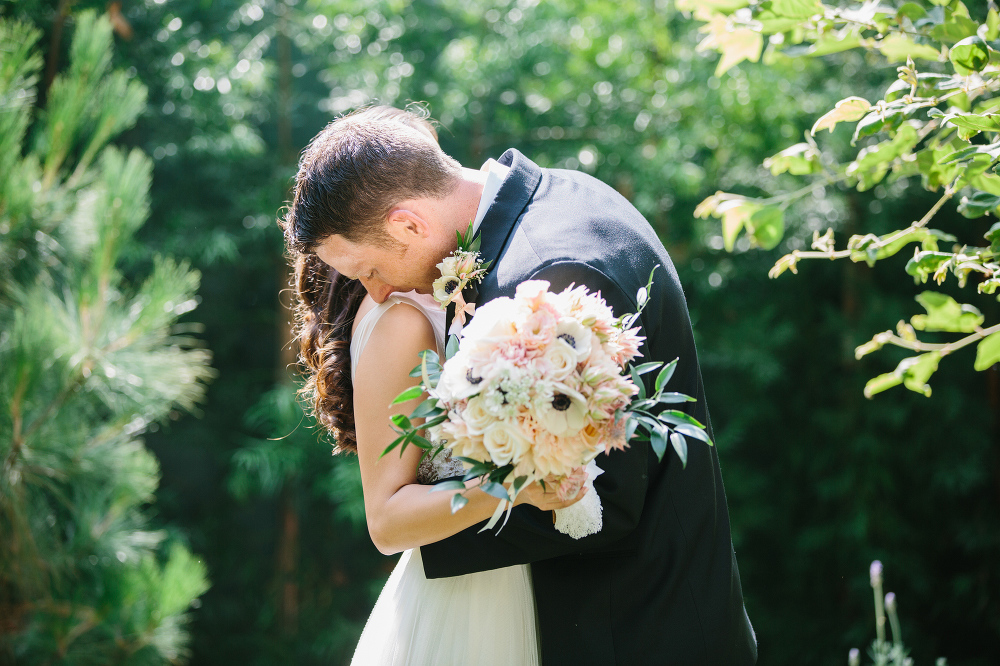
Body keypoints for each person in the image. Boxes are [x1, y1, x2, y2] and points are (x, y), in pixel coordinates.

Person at [282, 105, 757, 665]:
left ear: (408, 223)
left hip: (635, 629)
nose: (376, 292)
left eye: (371, 270)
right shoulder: (563, 194)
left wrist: (452, 516)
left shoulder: (548, 282)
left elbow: (607, 496)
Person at [284, 108, 585, 666]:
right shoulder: (404, 322)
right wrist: (510, 484)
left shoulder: (458, 283)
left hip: (516, 581)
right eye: (357, 276)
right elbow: (387, 519)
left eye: (369, 269)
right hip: (468, 605)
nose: (372, 292)